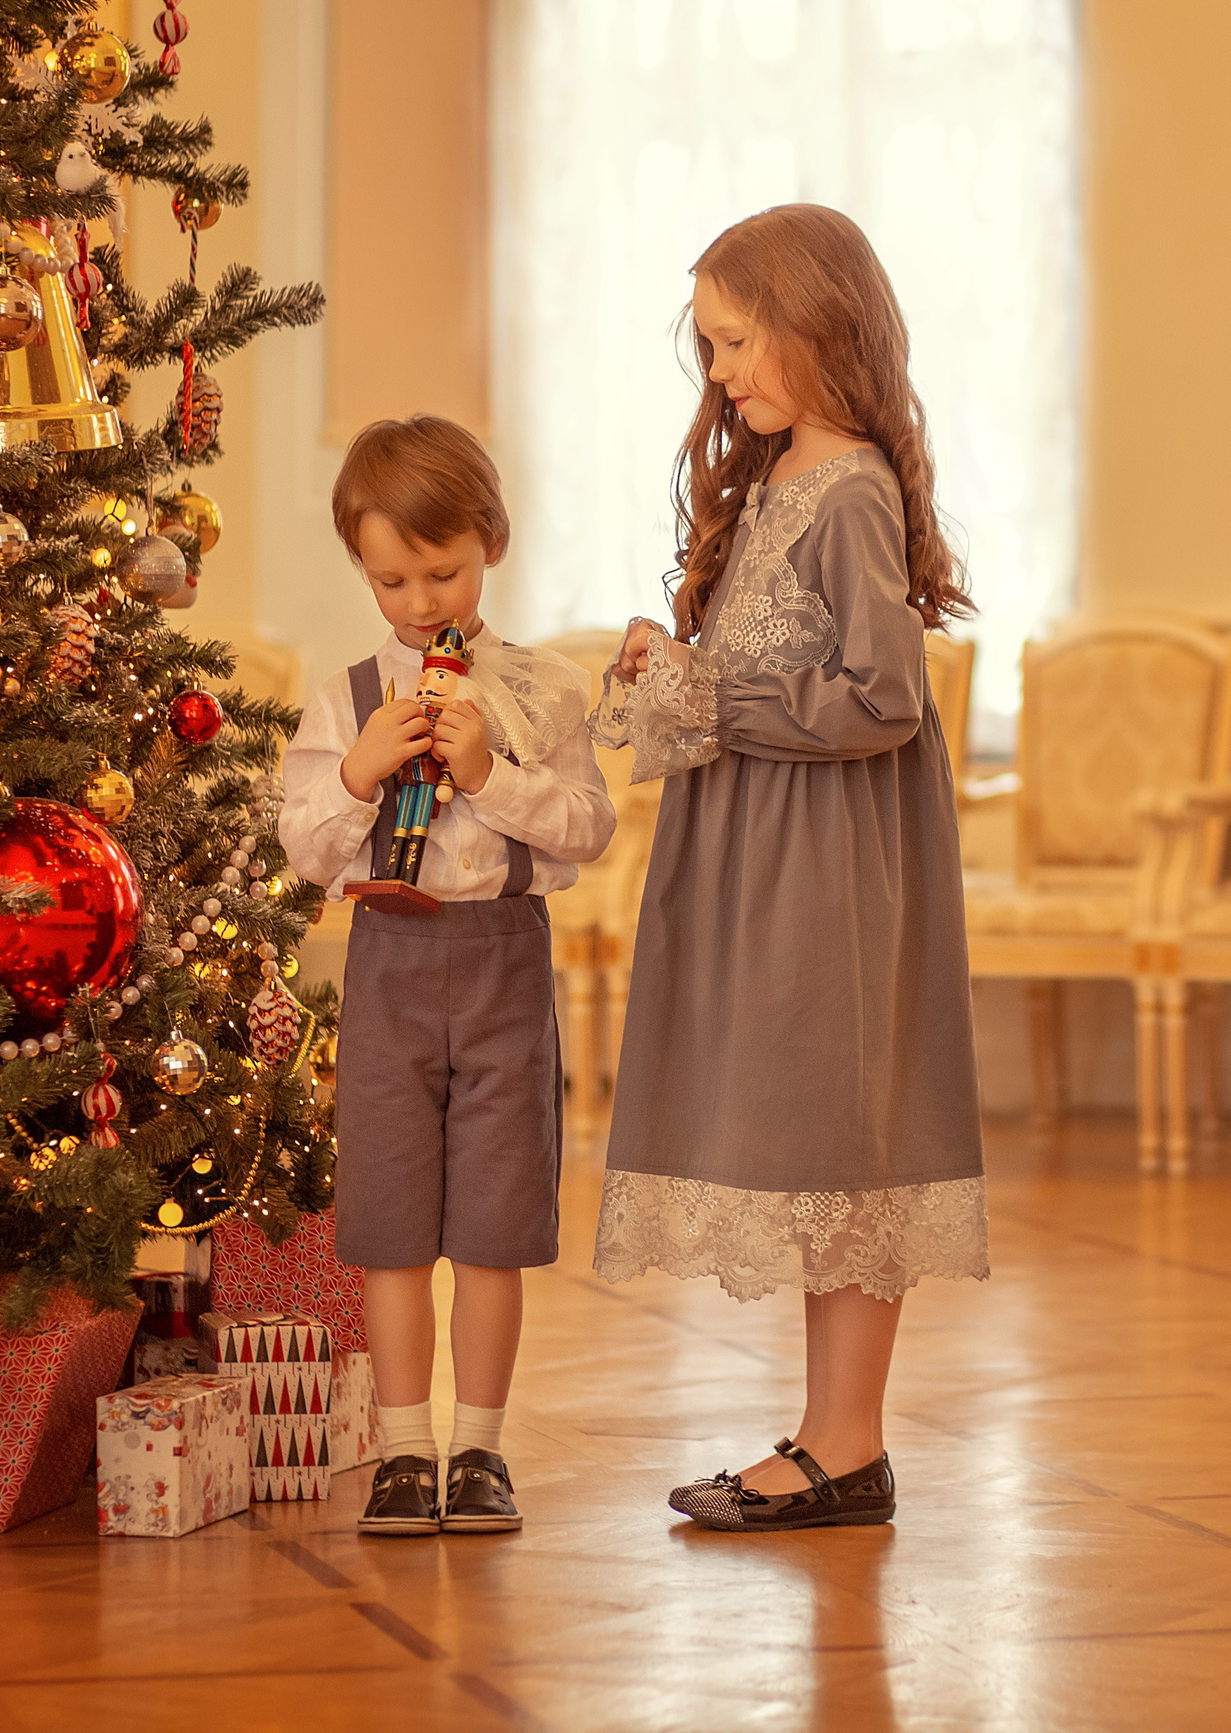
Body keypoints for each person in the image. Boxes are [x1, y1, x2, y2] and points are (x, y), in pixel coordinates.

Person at [593, 205, 989, 1532]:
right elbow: (770, 674)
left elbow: (881, 696)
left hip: (832, 866)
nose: (719, 374)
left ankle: (847, 1447)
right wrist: (681, 676)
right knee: (818, 1134)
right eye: (708, 349)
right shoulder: (772, 478)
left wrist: (717, 699)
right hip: (772, 847)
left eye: (737, 343)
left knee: (847, 1135)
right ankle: (832, 1440)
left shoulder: (851, 490)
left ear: (819, 328)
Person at [281, 416, 616, 1536]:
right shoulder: (340, 700)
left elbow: (585, 829)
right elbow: (307, 851)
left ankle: (479, 1446)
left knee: (493, 1221)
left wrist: (490, 773)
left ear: (492, 544)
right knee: (388, 1221)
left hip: (502, 964)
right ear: (361, 567)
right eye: (392, 578)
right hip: (389, 966)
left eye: (443, 570)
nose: (421, 601)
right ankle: (403, 1448)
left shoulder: (547, 692)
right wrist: (365, 772)